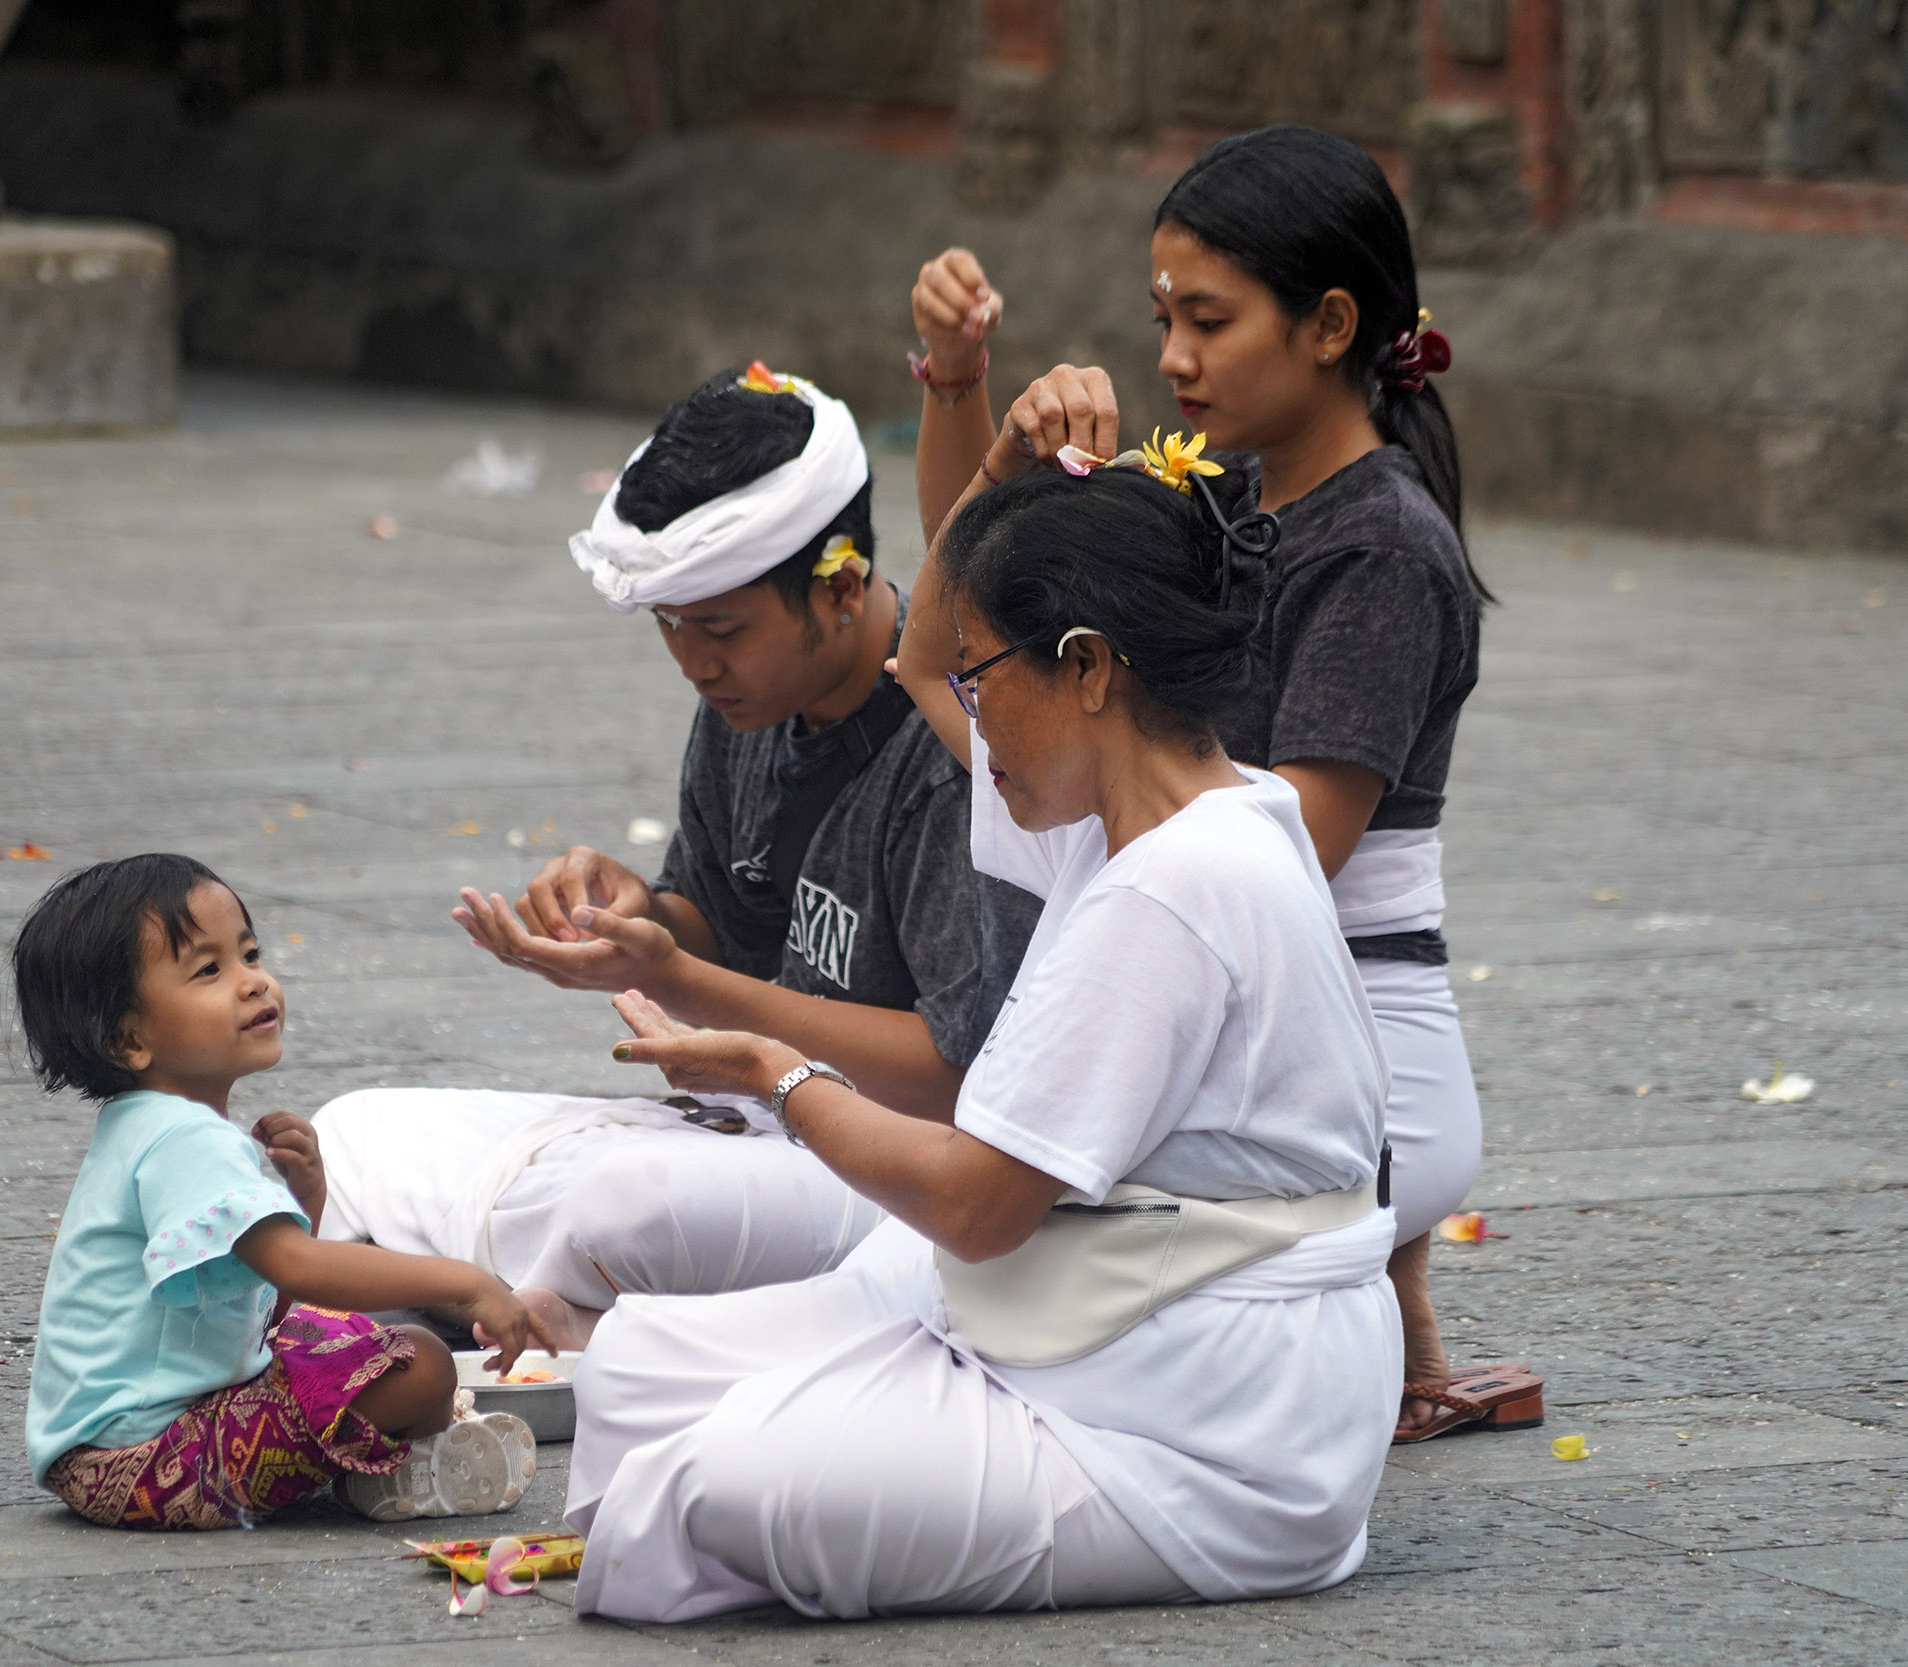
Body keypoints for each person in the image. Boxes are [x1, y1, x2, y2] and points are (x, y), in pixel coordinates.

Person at [562, 455, 1400, 1620]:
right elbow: (916, 653)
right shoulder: (1144, 812)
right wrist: (1004, 477)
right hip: (1091, 1313)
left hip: (1207, 1427)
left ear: (1088, 666)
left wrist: (783, 1075)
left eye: (983, 681)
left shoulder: (1178, 879)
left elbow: (975, 1204)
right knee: (638, 1368)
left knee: (725, 1479)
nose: (961, 709)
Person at [907, 125, 1529, 1441]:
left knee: (954, 1227)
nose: (1173, 356)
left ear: (1328, 323)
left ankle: (1364, 1300)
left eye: (1209, 317)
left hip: (1352, 1072)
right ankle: (1390, 1310)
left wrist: (1102, 758)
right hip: (1235, 1028)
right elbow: (968, 627)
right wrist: (978, 418)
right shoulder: (1219, 492)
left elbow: (1294, 843)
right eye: (1162, 319)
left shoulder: (1381, 544)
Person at [310, 363, 1038, 1345]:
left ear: (841, 588)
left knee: (625, 1205)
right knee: (351, 1135)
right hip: (746, 1129)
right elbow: (714, 925)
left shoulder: (950, 754)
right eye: (671, 626)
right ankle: (519, 1299)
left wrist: (700, 995)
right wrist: (637, 920)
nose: (694, 661)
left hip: (896, 1166)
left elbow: (958, 1074)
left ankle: (518, 1302)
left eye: (722, 628)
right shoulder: (745, 702)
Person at [15, 853, 565, 1530]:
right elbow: (298, 1268)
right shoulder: (185, 1137)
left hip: (109, 1449)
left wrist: (302, 1201)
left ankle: (375, 1455)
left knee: (344, 1331)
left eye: (249, 953)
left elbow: (255, 1304)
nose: (252, 982)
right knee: (420, 1359)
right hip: (144, 1457)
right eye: (209, 970)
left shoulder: (153, 1123)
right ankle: (389, 1468)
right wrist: (467, 1282)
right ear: (130, 1037)